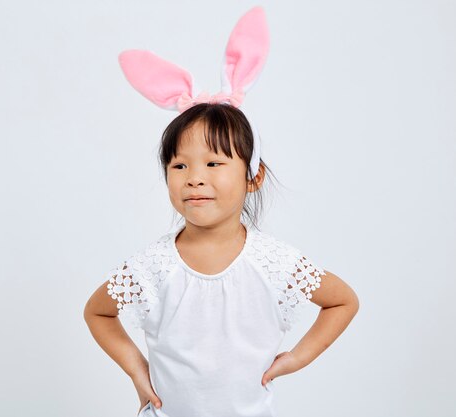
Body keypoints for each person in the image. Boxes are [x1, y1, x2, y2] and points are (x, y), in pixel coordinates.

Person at [83, 6, 359, 417]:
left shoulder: (274, 262)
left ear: (253, 176)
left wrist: (296, 358)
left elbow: (342, 302)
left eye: (214, 164)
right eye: (179, 165)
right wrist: (137, 371)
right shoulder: (153, 266)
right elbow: (98, 312)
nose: (194, 178)